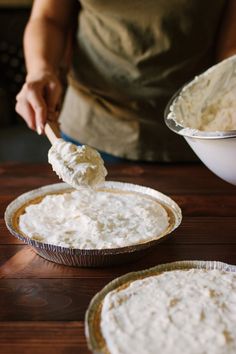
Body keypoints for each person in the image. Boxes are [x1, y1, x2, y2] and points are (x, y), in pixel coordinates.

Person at [15, 0, 236, 162]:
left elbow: (230, 50)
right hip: (92, 125)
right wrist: (41, 70)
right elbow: (49, 18)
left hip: (198, 139)